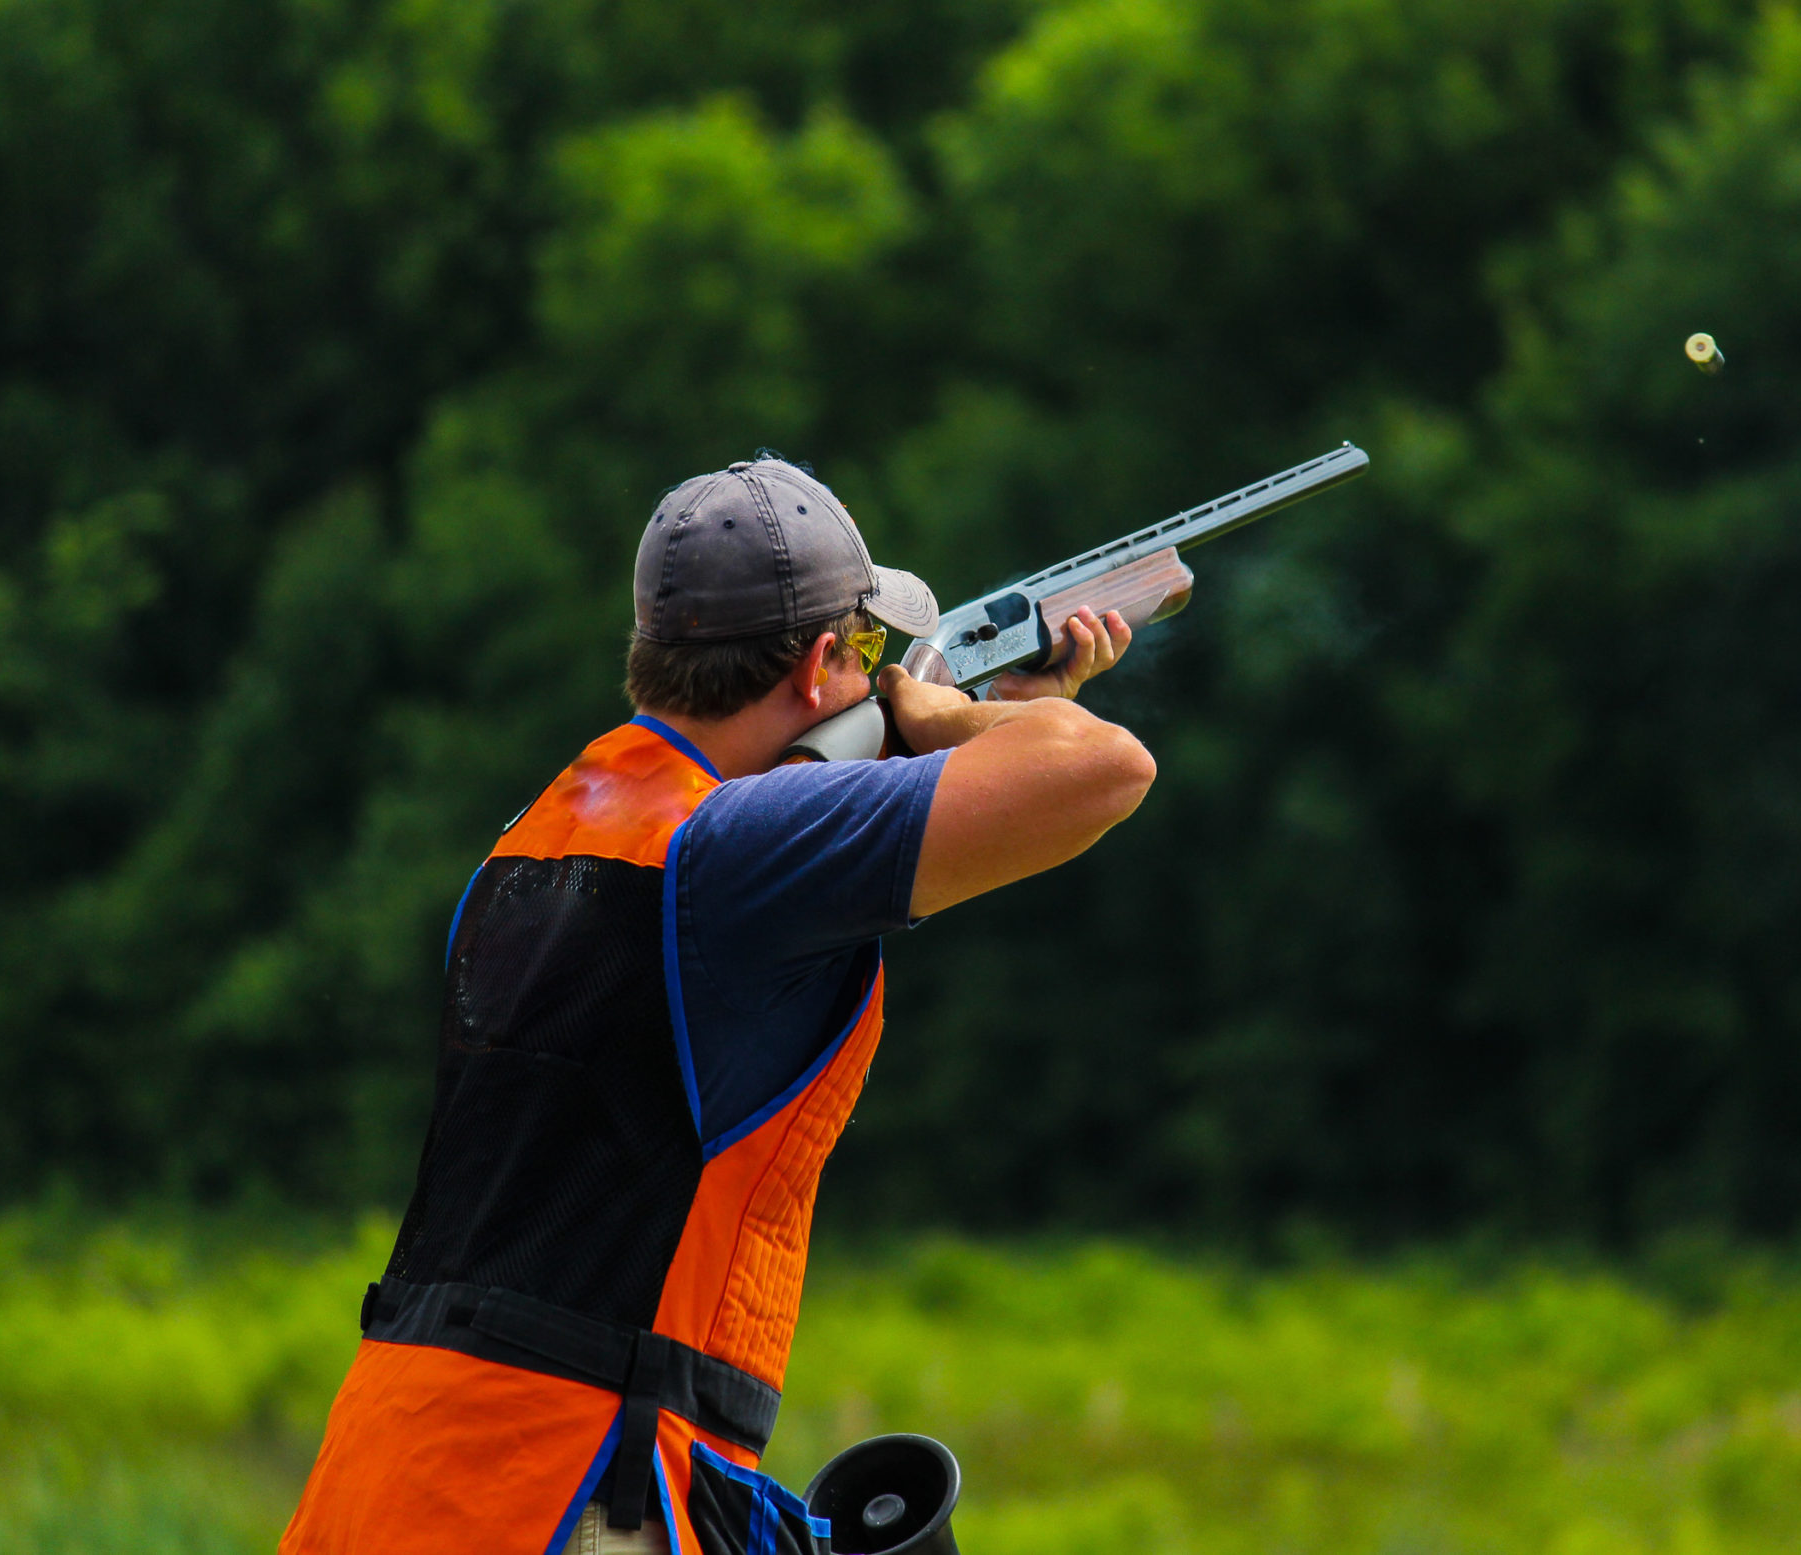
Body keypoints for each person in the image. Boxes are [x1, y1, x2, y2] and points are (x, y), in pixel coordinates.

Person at [279, 458, 1154, 1555]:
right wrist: (942, 722)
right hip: (565, 1486)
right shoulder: (734, 845)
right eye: (869, 657)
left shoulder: (532, 838)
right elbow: (1104, 768)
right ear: (825, 662)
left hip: (393, 1469)